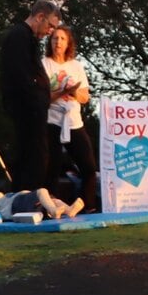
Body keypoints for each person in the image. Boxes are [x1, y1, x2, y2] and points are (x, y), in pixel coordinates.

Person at [0, 0, 63, 193]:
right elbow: (21, 75)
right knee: (33, 156)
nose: (50, 31)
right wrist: (37, 97)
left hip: (34, 107)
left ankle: (28, 197)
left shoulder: (29, 39)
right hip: (27, 108)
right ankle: (26, 199)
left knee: (36, 155)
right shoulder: (19, 36)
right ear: (40, 17)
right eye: (50, 26)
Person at [44, 24, 97, 209]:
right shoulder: (45, 64)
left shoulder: (76, 66)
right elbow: (42, 97)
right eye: (55, 38)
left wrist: (73, 92)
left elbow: (84, 97)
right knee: (52, 166)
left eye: (62, 39)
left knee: (89, 166)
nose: (58, 42)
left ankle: (87, 204)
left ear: (68, 43)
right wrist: (61, 91)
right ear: (50, 42)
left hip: (74, 121)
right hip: (53, 121)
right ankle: (48, 206)